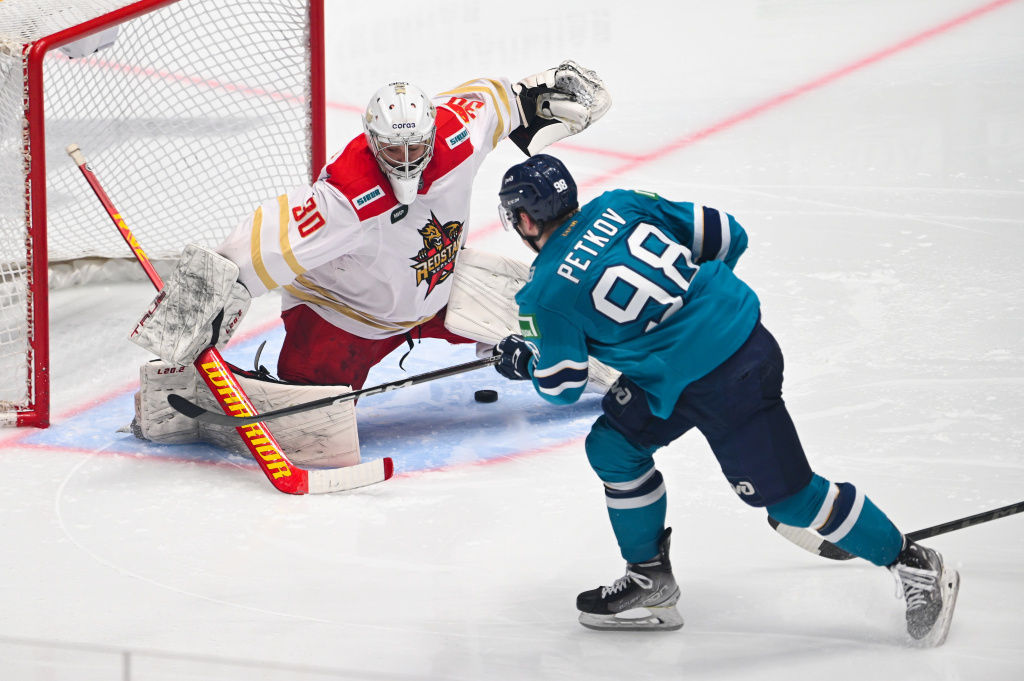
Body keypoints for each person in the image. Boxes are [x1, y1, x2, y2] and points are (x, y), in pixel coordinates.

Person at [490, 154, 960, 645]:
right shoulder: (622, 204)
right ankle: (650, 578)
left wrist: (525, 361)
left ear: (525, 219)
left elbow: (563, 386)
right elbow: (727, 234)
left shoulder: (545, 294)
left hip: (729, 379)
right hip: (727, 349)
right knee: (613, 447)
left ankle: (915, 563)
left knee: (792, 499)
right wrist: (692, 313)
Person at [125, 63, 610, 461]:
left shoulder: (458, 133)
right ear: (372, 140)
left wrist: (532, 96)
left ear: (433, 132)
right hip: (344, 319)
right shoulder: (344, 196)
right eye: (393, 149)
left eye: (416, 146)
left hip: (438, 289)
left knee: (553, 317)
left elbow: (493, 98)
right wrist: (188, 316)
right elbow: (254, 246)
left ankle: (623, 361)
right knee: (314, 431)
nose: (406, 160)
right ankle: (191, 396)